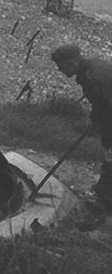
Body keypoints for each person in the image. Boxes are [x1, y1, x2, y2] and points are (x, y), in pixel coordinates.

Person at [51, 44, 112, 211]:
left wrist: (103, 129)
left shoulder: (92, 77)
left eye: (60, 65)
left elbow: (107, 107)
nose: (59, 70)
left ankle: (103, 204)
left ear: (72, 62)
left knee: (110, 160)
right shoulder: (93, 67)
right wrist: (94, 120)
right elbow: (100, 103)